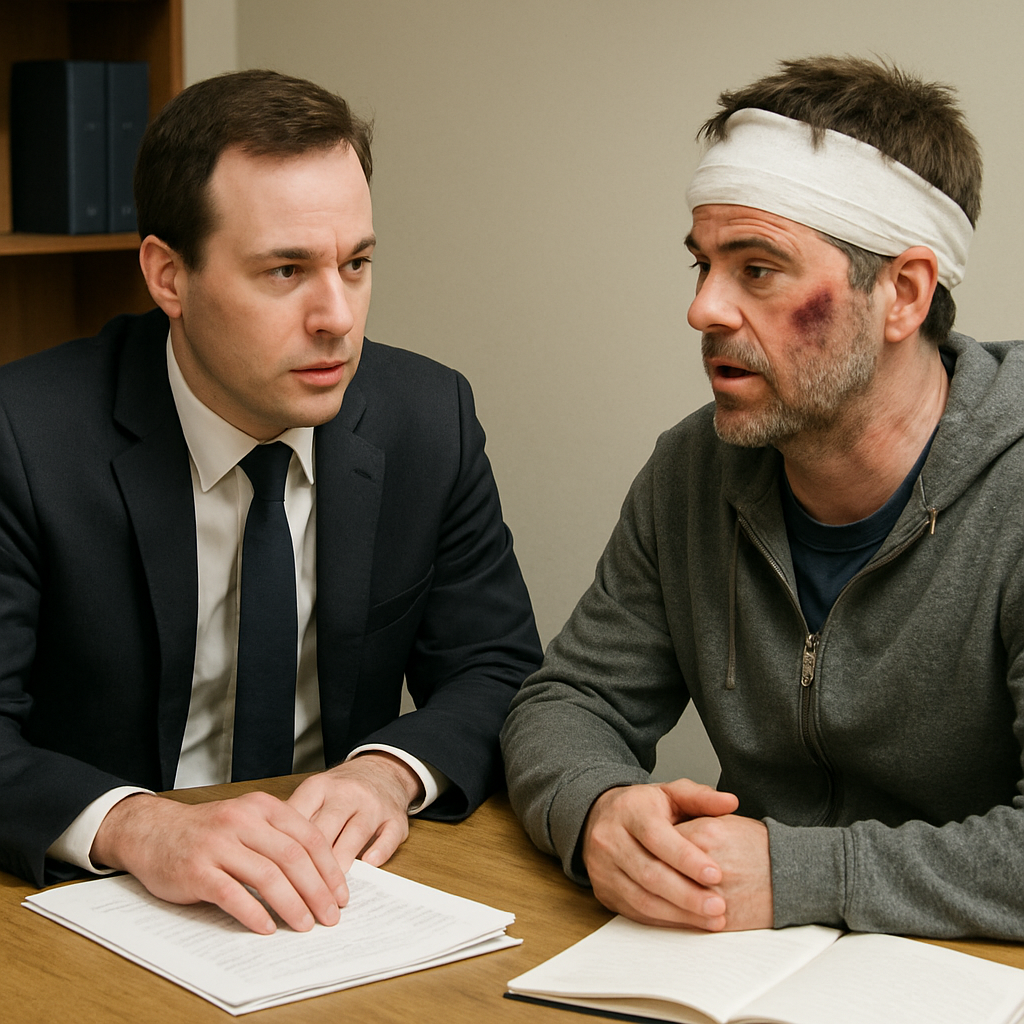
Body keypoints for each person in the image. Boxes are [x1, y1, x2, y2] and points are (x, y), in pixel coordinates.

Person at [0, 69, 541, 935]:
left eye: (356, 264)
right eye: (286, 270)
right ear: (167, 276)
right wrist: (138, 827)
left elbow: (500, 669)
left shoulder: (427, 419)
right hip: (94, 906)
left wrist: (387, 771)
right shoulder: (23, 437)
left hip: (339, 902)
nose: (337, 316)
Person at [501, 55, 1024, 940]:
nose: (703, 309)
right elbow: (569, 702)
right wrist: (600, 809)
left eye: (758, 269)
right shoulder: (690, 472)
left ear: (903, 293)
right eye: (703, 264)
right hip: (741, 973)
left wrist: (799, 874)